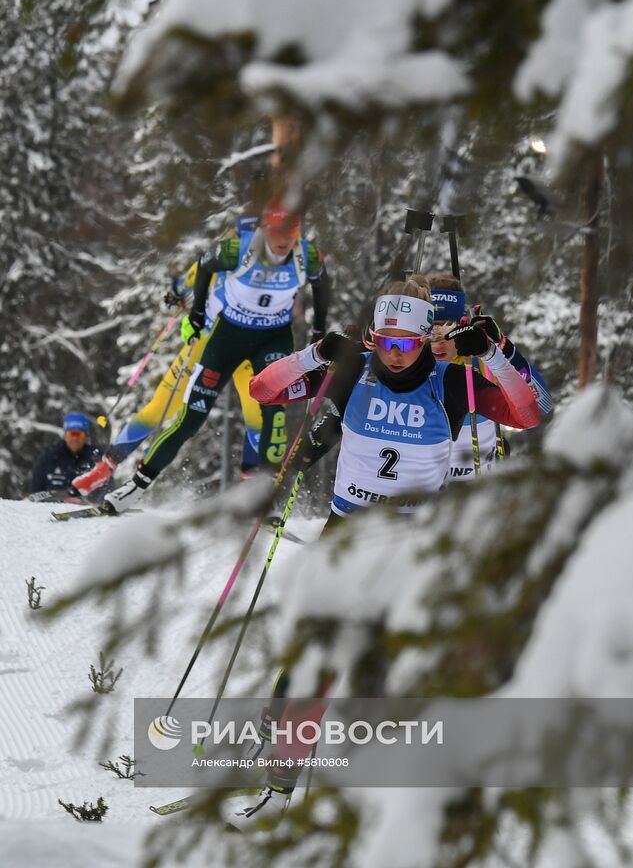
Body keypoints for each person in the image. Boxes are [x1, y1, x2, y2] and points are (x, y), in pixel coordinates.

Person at [229, 275, 541, 823]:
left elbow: (527, 413)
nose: (395, 356)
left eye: (408, 344)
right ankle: (279, 764)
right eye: (386, 342)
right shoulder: (353, 373)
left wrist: (492, 352)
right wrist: (314, 353)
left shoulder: (450, 384)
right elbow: (263, 391)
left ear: (424, 341)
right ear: (374, 337)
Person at [101, 196, 329, 513]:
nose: (282, 241)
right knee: (190, 419)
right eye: (276, 232)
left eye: (290, 234)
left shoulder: (307, 256)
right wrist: (195, 313)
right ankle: (136, 487)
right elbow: (205, 267)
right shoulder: (239, 250)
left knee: (272, 413)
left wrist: (319, 329)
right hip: (228, 336)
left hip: (273, 338)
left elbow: (322, 283)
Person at [71, 229, 265, 498]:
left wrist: (178, 294)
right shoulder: (223, 255)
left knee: (259, 415)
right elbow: (190, 278)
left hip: (246, 351)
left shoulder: (276, 269)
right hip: (207, 344)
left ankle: (251, 494)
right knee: (160, 406)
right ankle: (104, 469)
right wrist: (178, 295)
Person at [429, 273, 553, 481]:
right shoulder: (409, 364)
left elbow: (542, 406)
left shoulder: (485, 361)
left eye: (447, 329)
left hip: (475, 493)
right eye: (431, 333)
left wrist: (502, 346)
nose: (438, 344)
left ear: (461, 325)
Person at [29, 412, 110, 501]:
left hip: (86, 511)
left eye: (79, 434)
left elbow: (107, 488)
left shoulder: (96, 458)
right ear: (65, 436)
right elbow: (35, 492)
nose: (75, 438)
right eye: (71, 434)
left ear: (86, 437)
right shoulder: (49, 457)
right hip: (52, 511)